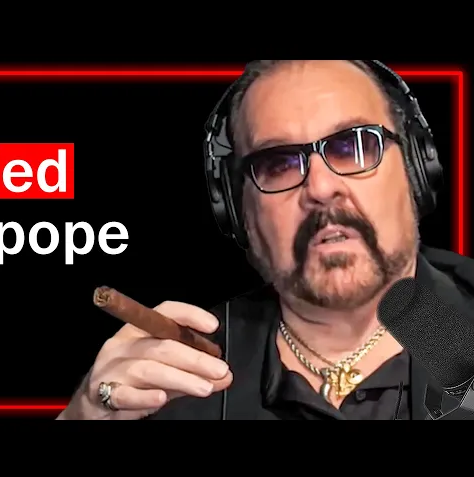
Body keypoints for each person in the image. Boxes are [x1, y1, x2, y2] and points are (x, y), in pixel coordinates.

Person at [57, 59, 473, 420]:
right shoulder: (174, 379)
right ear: (239, 213)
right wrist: (84, 415)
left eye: (354, 146)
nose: (320, 188)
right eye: (278, 165)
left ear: (417, 171)